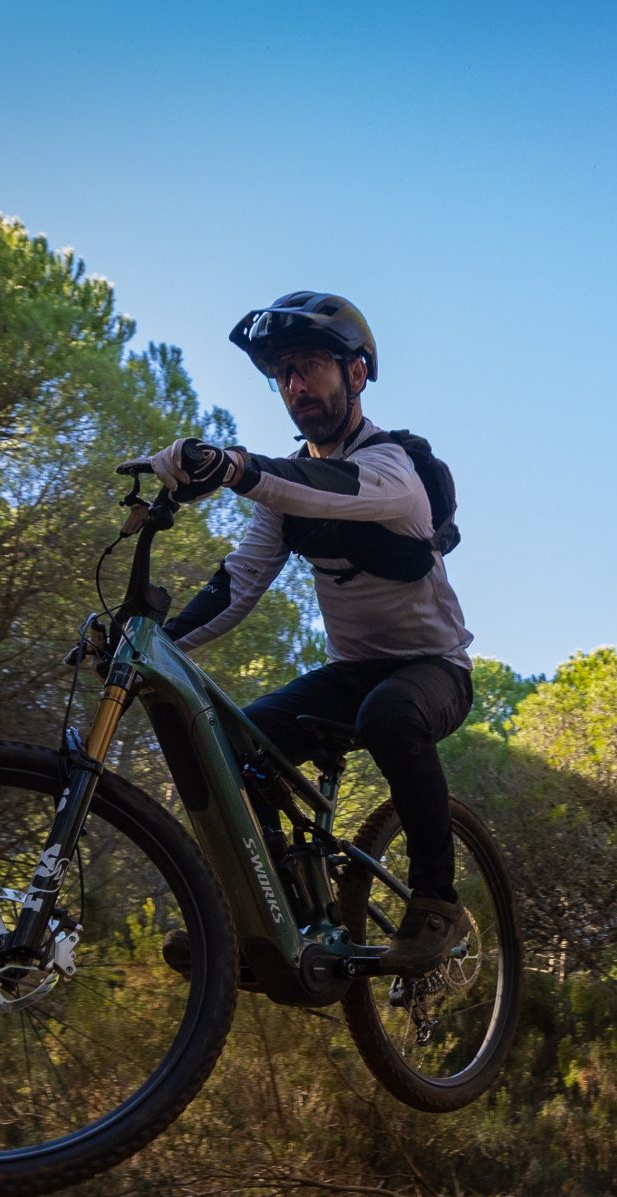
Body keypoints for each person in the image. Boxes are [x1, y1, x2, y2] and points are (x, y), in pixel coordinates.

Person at [138, 291, 475, 974]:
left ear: (355, 374)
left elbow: (321, 485)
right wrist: (151, 643)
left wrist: (233, 467)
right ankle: (267, 910)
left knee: (389, 714)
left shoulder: (391, 469)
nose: (295, 386)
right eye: (283, 374)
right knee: (227, 744)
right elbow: (237, 586)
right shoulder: (285, 494)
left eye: (311, 366)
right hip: (350, 672)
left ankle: (438, 902)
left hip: (433, 670)